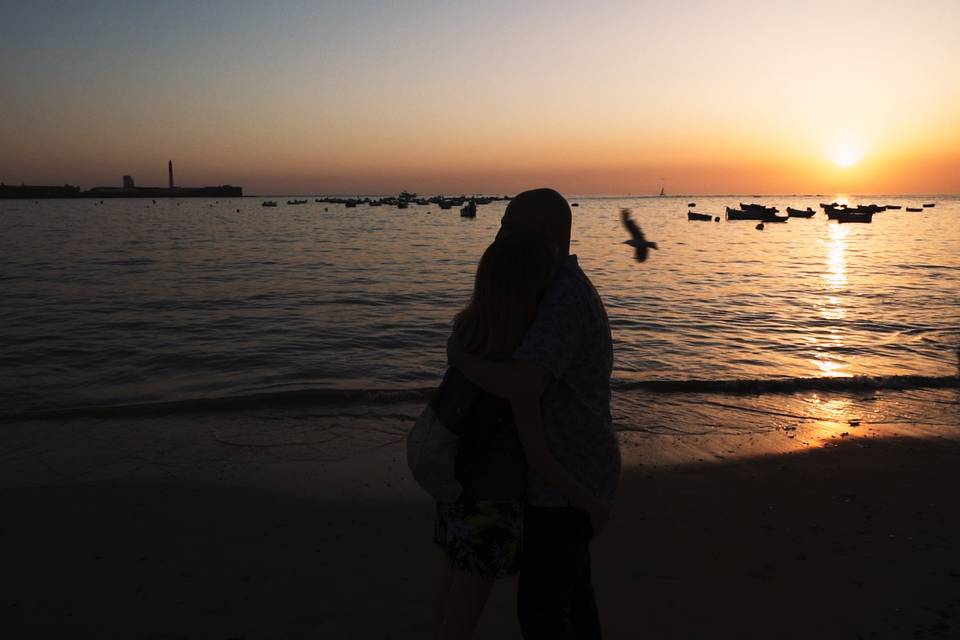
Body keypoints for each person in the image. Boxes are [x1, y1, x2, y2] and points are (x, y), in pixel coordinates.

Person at [447, 188, 620, 639]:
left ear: (538, 233)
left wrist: (460, 357)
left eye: (507, 224)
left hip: (569, 478)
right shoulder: (548, 289)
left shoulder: (563, 298)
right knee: (572, 596)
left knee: (543, 610)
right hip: (566, 475)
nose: (499, 232)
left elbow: (525, 384)